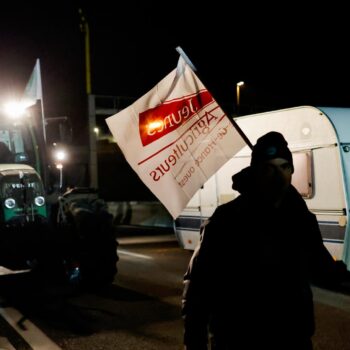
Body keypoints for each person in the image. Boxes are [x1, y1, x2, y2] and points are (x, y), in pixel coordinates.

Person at [182, 131, 349, 350]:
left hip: (293, 339)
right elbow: (198, 289)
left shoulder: (300, 218)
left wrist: (342, 276)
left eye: (284, 167)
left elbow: (320, 266)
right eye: (268, 168)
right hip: (239, 340)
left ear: (291, 171)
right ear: (256, 172)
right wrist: (195, 344)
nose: (278, 175)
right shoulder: (227, 220)